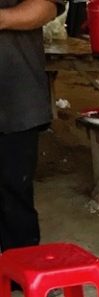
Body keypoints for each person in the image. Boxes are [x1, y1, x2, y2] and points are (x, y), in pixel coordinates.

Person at [0, 0, 63, 253]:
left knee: (13, 191)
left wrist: (3, 18)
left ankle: (20, 274)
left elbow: (46, 7)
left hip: (14, 95)